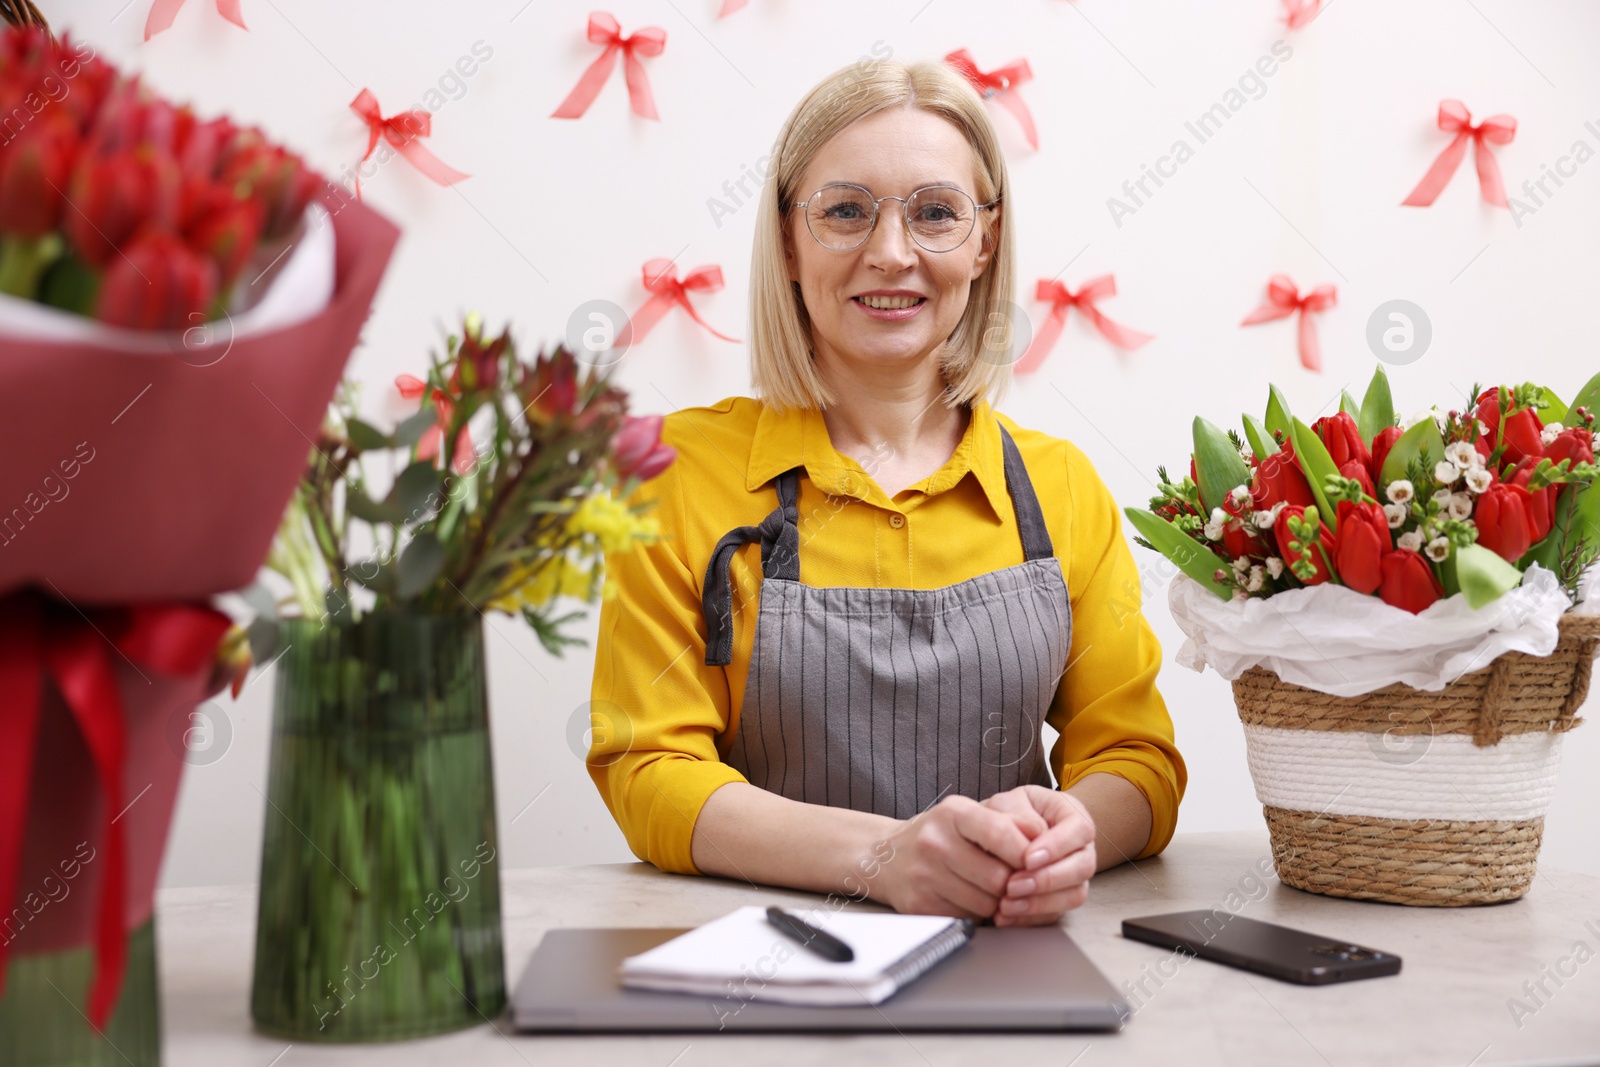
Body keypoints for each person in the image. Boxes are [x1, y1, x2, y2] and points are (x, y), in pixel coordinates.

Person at [588, 57, 1184, 926]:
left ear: (984, 240)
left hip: (1009, 948)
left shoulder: (1058, 487)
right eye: (845, 211)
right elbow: (647, 768)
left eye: (936, 212)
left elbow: (1136, 758)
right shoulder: (674, 472)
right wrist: (881, 859)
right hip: (765, 966)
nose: (892, 252)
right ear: (789, 241)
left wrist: (1065, 834)